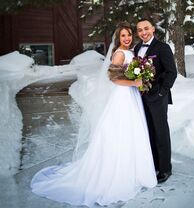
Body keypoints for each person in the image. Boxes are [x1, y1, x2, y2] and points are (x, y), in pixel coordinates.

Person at [31, 22, 157, 207]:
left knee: (132, 132)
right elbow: (114, 78)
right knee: (121, 132)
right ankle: (119, 173)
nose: (127, 38)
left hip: (131, 97)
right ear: (117, 38)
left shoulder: (131, 52)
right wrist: (135, 83)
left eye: (129, 34)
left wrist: (139, 79)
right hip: (122, 97)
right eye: (123, 36)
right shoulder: (120, 53)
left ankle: (134, 171)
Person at [134, 18, 177, 183]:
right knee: (149, 131)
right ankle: (154, 164)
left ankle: (165, 169)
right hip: (141, 97)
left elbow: (171, 72)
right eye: (140, 30)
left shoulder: (162, 47)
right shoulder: (137, 47)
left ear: (153, 29)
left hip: (158, 97)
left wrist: (162, 92)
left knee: (161, 132)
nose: (143, 32)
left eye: (146, 28)